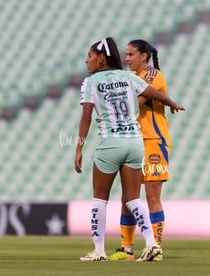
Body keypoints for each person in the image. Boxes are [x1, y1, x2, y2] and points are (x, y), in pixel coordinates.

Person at [75, 37, 184, 262]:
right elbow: (155, 94)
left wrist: (79, 148)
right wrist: (172, 103)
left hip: (111, 143)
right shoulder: (129, 77)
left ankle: (99, 250)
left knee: (100, 199)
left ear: (101, 59)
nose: (86, 61)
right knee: (134, 200)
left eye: (89, 56)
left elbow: (86, 117)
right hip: (135, 142)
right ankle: (151, 244)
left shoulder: (91, 82)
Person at [109, 40, 170, 262]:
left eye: (131, 54)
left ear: (144, 56)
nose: (127, 59)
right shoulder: (130, 79)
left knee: (152, 195)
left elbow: (136, 102)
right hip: (133, 142)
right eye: (126, 54)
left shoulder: (153, 75)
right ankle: (127, 250)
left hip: (153, 140)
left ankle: (156, 249)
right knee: (128, 197)